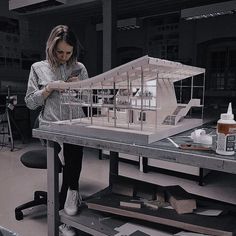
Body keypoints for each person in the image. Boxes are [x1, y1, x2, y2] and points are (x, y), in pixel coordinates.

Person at [25, 25, 88, 236]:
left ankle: (69, 199)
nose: (64, 56)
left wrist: (80, 88)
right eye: (59, 52)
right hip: (50, 124)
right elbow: (30, 103)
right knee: (67, 162)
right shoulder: (37, 68)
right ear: (51, 48)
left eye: (68, 52)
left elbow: (89, 101)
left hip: (74, 122)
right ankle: (70, 200)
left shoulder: (80, 67)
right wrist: (48, 89)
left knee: (73, 155)